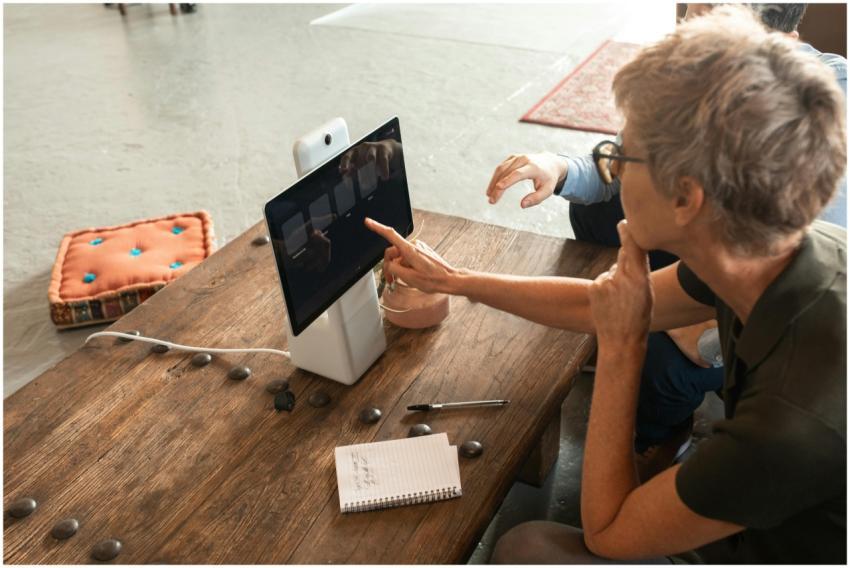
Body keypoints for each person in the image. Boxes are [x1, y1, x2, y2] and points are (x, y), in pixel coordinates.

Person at [365, 5, 846, 563]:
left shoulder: (790, 428)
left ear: (687, 197)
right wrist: (458, 280)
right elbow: (594, 305)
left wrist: (622, 348)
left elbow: (607, 534)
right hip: (772, 507)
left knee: (529, 547)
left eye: (622, 156)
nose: (612, 168)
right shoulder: (777, 248)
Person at [483, 2, 848, 482]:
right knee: (594, 209)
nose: (690, 38)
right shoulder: (714, 88)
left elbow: (608, 535)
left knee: (664, 358)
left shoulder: (784, 421)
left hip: (757, 310)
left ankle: (659, 433)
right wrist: (560, 168)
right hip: (741, 269)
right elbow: (610, 173)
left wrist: (674, 340)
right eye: (689, 18)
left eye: (710, 28)